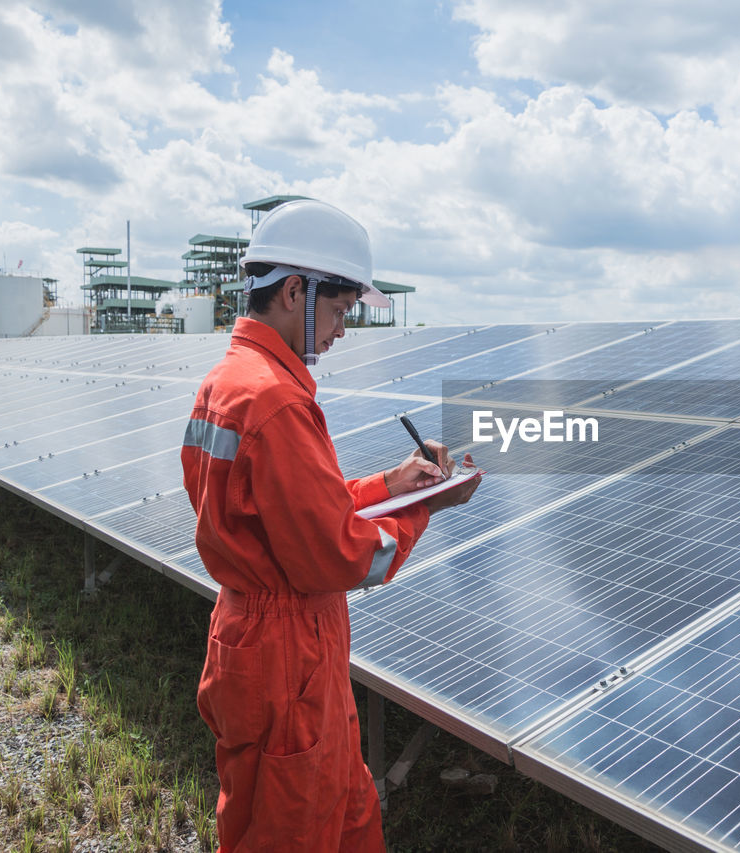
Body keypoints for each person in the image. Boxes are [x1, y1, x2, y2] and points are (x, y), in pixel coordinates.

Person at [181, 198, 479, 851]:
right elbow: (336, 553)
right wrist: (427, 505)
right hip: (289, 655)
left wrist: (392, 484)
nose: (342, 329)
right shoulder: (275, 399)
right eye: (341, 309)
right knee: (293, 828)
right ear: (295, 290)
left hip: (277, 643)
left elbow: (289, 509)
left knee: (347, 810)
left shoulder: (228, 382)